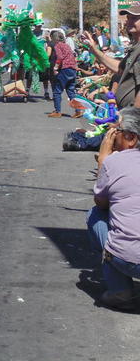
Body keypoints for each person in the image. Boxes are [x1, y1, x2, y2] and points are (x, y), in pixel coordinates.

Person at [86, 107, 140, 310]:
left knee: (95, 215)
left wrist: (103, 160)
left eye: (115, 129)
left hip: (130, 259)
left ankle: (120, 291)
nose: (110, 132)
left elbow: (101, 203)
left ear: (130, 138)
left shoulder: (113, 162)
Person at [83, 1, 140, 109]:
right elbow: (120, 68)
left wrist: (129, 118)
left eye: (134, 18)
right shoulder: (135, 47)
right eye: (128, 18)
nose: (129, 21)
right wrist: (94, 49)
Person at [48, 30, 78, 118]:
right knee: (70, 91)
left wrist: (55, 67)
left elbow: (60, 57)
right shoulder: (66, 46)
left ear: (54, 38)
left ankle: (57, 111)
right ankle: (78, 110)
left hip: (65, 69)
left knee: (57, 91)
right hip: (72, 69)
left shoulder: (58, 46)